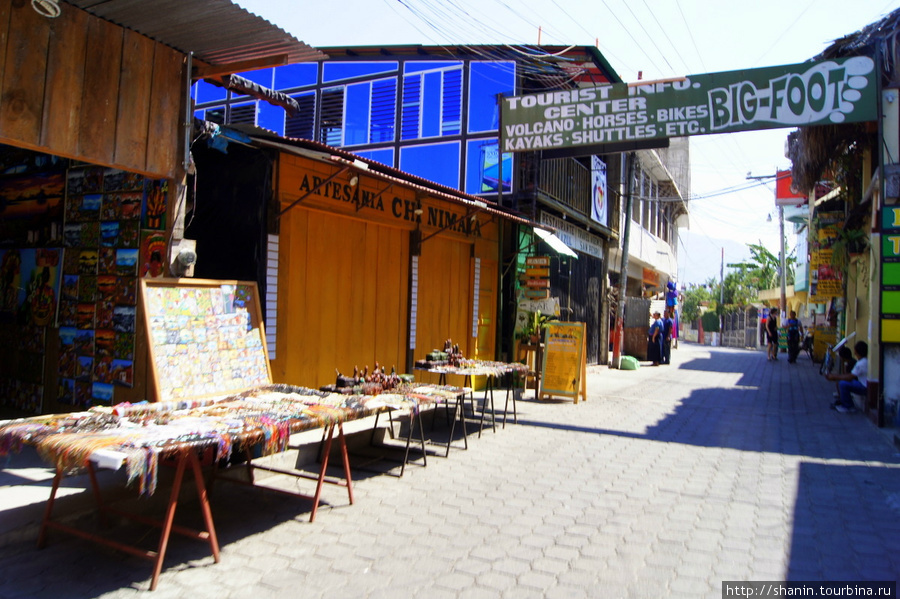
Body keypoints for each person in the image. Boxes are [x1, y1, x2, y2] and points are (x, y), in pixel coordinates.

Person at [825, 341, 868, 413]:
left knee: (843, 384)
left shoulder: (861, 363)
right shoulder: (863, 361)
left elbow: (850, 377)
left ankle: (848, 406)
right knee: (841, 382)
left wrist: (835, 377)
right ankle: (843, 401)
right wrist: (835, 377)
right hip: (862, 383)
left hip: (864, 386)